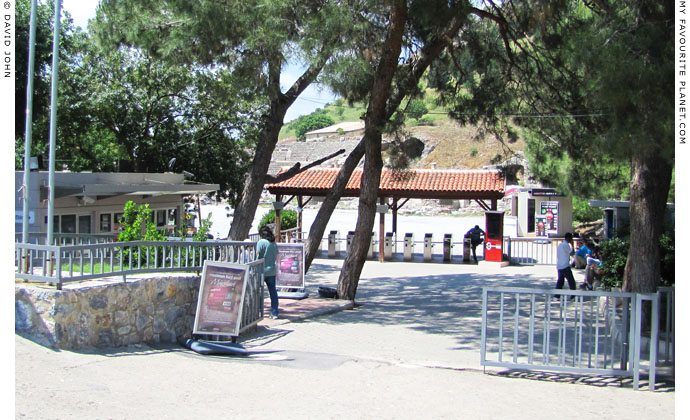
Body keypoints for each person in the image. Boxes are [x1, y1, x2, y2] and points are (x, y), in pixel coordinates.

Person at [256, 226, 279, 319]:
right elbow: (277, 257)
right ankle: (274, 312)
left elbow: (257, 254)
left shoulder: (261, 242)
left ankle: (259, 311)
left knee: (259, 292)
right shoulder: (273, 244)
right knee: (273, 292)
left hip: (261, 270)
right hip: (272, 270)